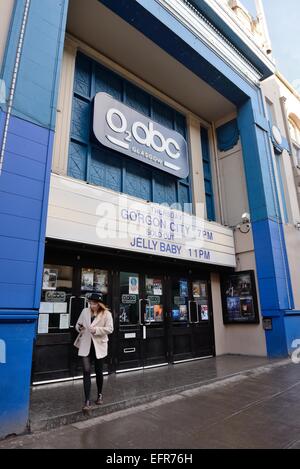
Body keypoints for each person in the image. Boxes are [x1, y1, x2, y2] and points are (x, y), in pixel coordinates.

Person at [74, 293, 114, 411]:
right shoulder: (85, 311)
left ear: (99, 304)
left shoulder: (107, 314)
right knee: (86, 371)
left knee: (98, 371)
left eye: (94, 303)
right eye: (90, 303)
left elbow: (110, 329)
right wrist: (79, 327)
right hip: (86, 344)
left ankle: (100, 395)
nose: (92, 305)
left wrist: (96, 330)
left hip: (98, 346)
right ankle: (87, 401)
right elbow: (78, 324)